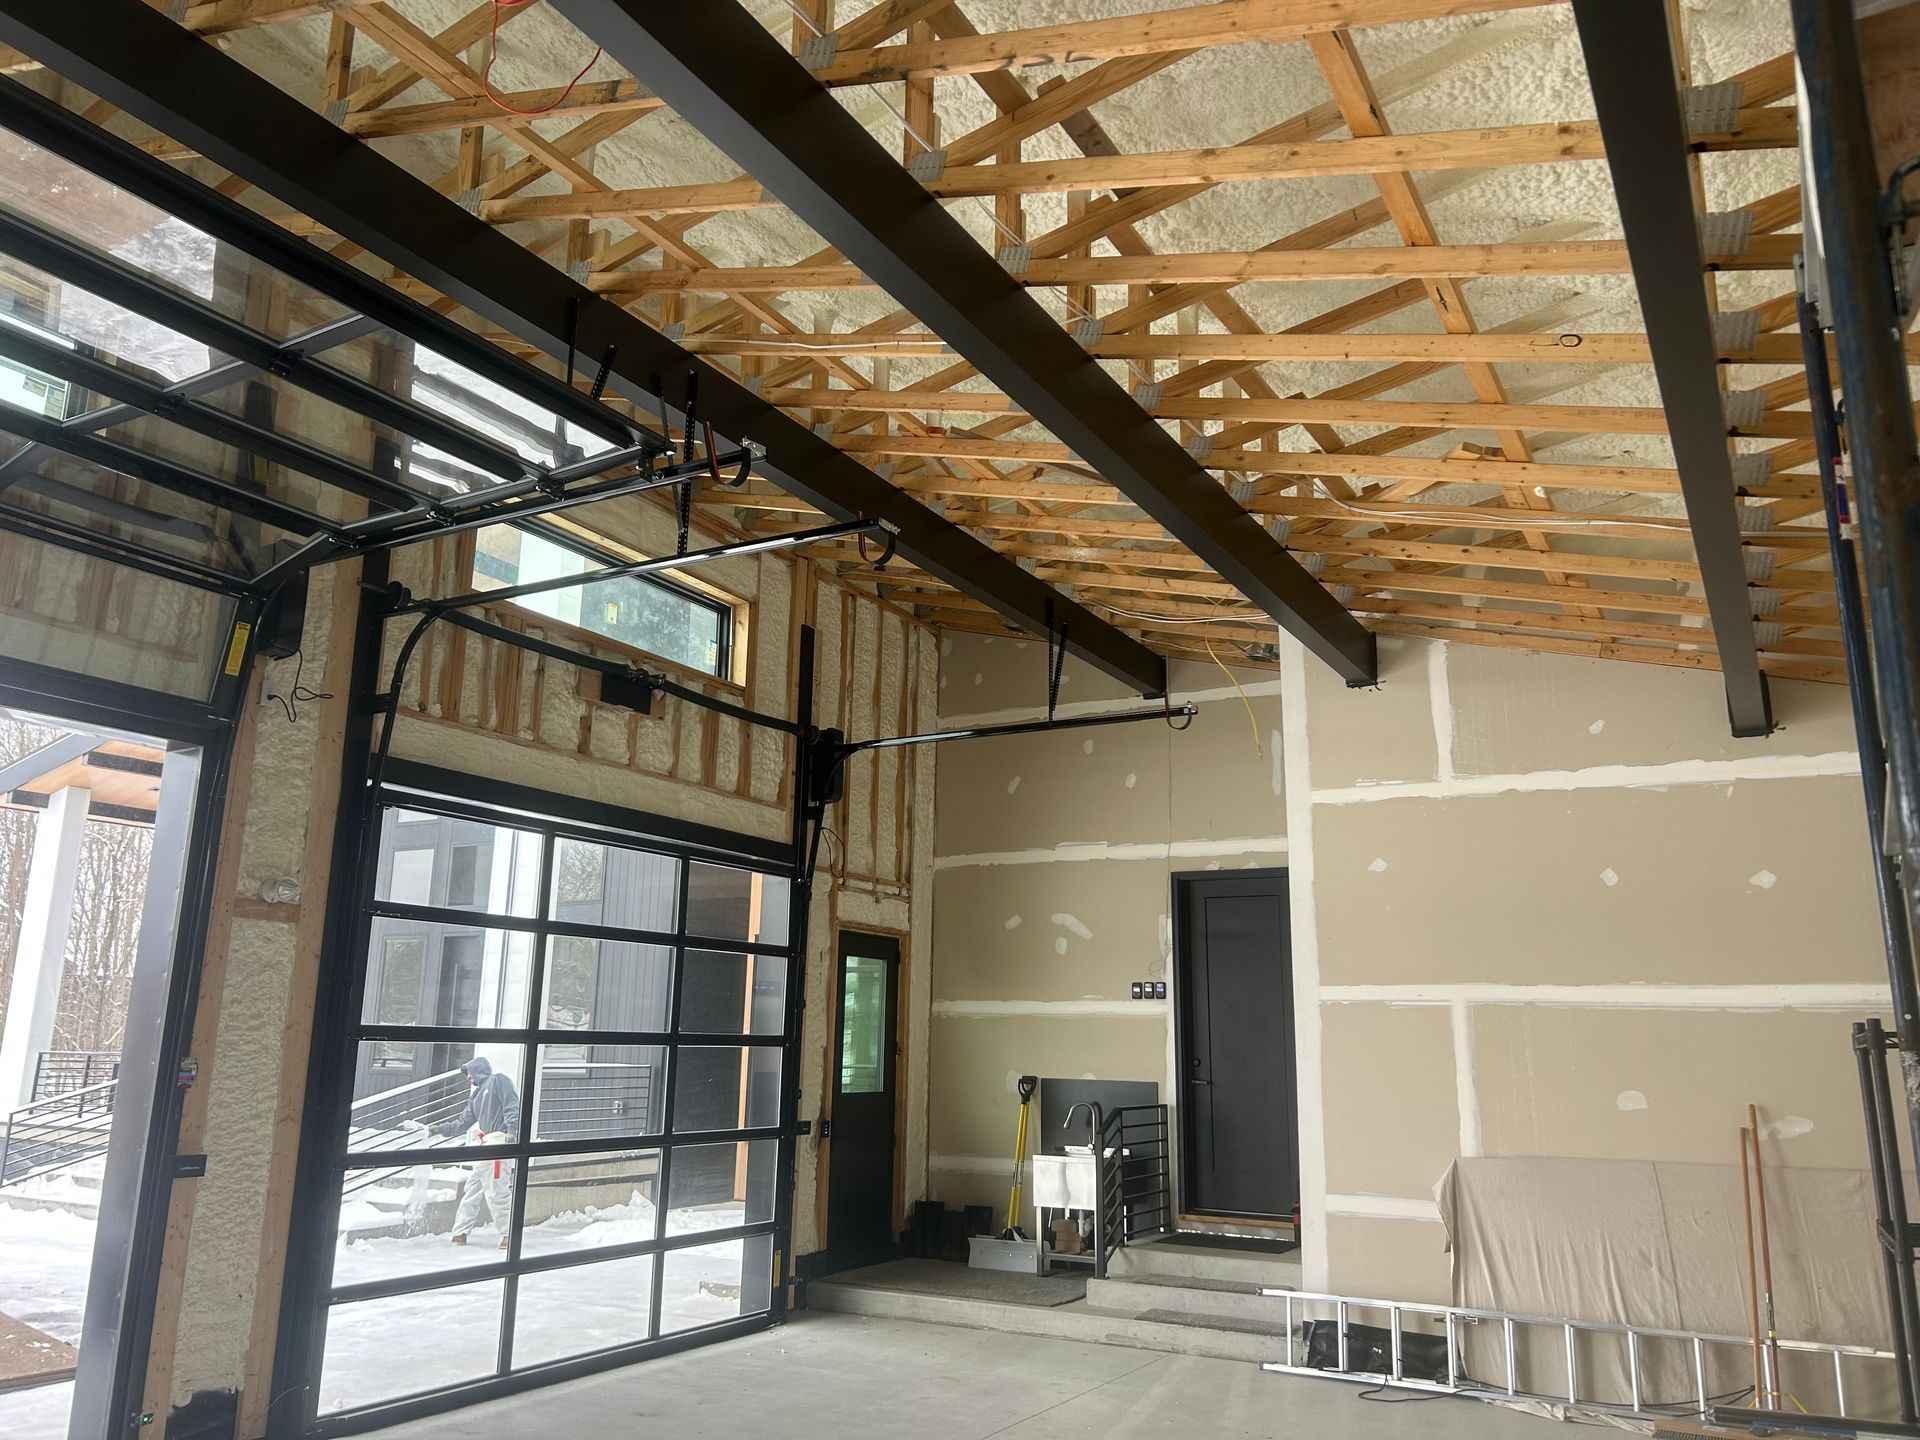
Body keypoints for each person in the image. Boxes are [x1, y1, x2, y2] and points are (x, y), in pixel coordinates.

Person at [430, 1055, 521, 1250]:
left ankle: (508, 1234)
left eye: (469, 1073)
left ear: (478, 1069)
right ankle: (460, 1232)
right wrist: (440, 1128)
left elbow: (511, 1104)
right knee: (472, 1190)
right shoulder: (475, 1097)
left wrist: (512, 1130)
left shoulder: (499, 1080)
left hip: (498, 1140)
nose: (467, 1078)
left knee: (497, 1191)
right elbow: (462, 1123)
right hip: (486, 1143)